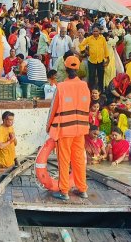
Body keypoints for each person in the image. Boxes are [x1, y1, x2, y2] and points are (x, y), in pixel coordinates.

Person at [46, 56, 90, 200]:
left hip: (64, 130)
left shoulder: (61, 87)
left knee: (64, 160)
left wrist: (48, 128)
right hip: (80, 129)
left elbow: (53, 109)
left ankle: (64, 191)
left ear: (65, 69)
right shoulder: (84, 86)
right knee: (78, 160)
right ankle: (82, 189)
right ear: (77, 69)